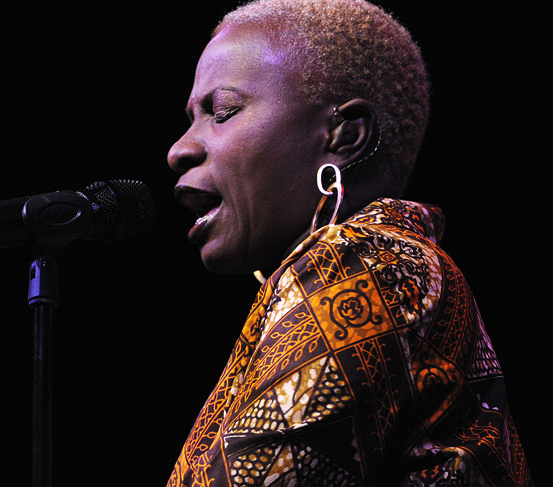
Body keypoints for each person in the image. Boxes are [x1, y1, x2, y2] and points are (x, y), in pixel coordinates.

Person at [165, 0, 533, 485]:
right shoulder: (394, 265)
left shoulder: (372, 264)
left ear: (344, 134)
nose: (180, 149)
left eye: (223, 110)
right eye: (191, 117)